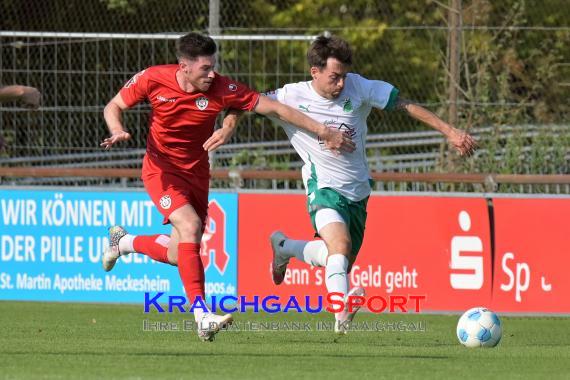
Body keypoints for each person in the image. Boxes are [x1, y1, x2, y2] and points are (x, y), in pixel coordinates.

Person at [100, 32, 355, 342]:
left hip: (197, 174)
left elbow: (270, 107)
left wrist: (321, 131)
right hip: (161, 170)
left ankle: (123, 242)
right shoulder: (154, 78)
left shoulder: (222, 87)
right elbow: (113, 105)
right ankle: (202, 316)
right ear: (184, 66)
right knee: (191, 226)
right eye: (205, 69)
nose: (212, 74)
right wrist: (117, 129)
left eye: (214, 66)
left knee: (179, 253)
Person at [255, 35, 476, 335]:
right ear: (314, 72)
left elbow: (404, 104)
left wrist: (449, 131)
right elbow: (245, 102)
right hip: (323, 185)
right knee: (340, 247)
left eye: (344, 76)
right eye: (334, 77)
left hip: (358, 191)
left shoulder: (359, 87)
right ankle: (341, 310)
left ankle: (283, 247)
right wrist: (227, 125)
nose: (341, 84)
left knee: (338, 258)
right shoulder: (290, 96)